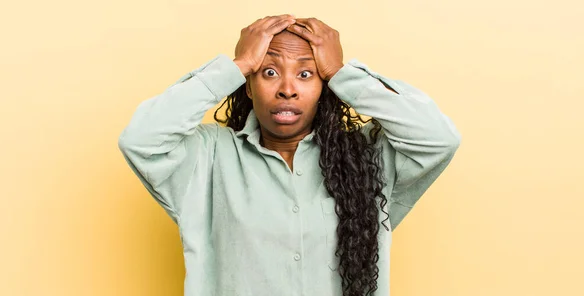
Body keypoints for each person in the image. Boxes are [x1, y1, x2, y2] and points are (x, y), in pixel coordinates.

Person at [118, 14, 461, 296]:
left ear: (324, 87)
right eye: (268, 71)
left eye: (306, 73)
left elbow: (437, 138)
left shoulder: (366, 160)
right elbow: (141, 140)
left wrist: (343, 75)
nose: (287, 88)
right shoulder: (206, 158)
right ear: (248, 86)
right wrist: (235, 66)